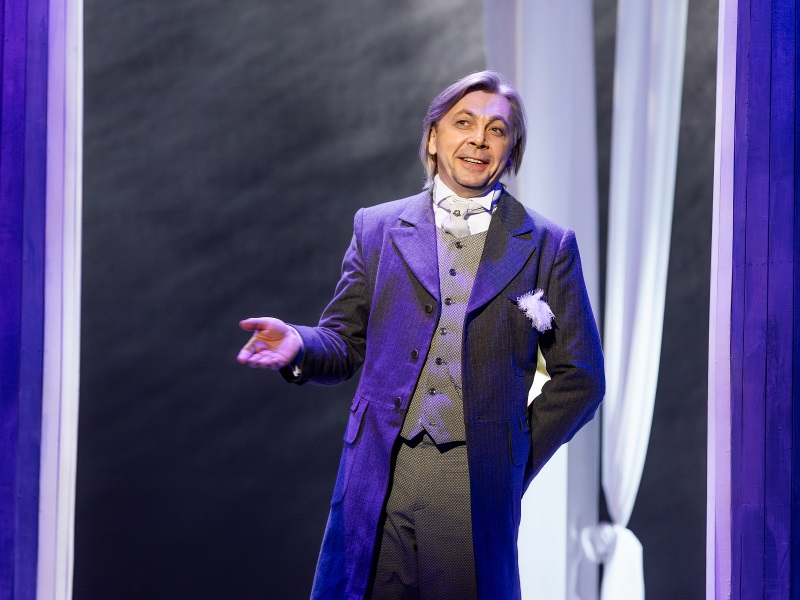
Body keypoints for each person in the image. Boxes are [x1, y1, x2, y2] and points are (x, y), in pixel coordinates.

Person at [237, 71, 604, 600]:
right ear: (433, 137)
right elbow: (343, 342)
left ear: (511, 149)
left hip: (470, 486)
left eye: (497, 129)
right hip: (379, 475)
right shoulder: (377, 228)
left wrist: (511, 455)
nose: (479, 139)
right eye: (464, 123)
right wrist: (299, 343)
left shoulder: (548, 245)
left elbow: (582, 378)